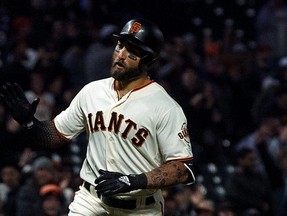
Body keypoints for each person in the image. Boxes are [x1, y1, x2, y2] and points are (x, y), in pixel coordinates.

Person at [0, 18, 195, 215]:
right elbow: (55, 136)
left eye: (132, 52)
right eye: (120, 46)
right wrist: (28, 123)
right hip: (91, 201)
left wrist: (133, 181)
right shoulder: (92, 91)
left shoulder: (165, 107)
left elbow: (182, 169)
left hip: (140, 208)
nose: (121, 55)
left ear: (149, 60)